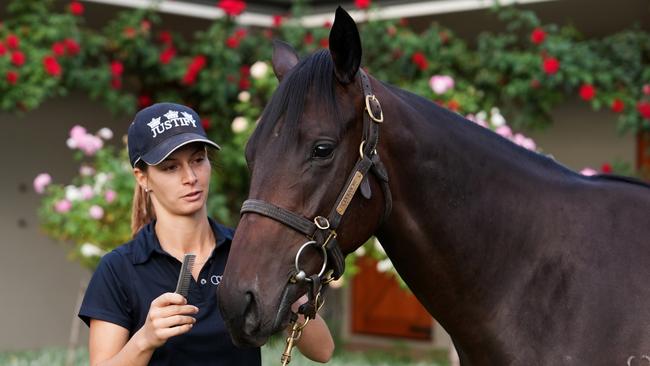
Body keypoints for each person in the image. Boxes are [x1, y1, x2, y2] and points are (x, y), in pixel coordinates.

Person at [78, 102, 335, 365]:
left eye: (198, 160)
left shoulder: (247, 251)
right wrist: (145, 339)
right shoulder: (119, 269)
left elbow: (323, 351)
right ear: (142, 178)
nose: (190, 177)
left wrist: (285, 288)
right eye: (170, 167)